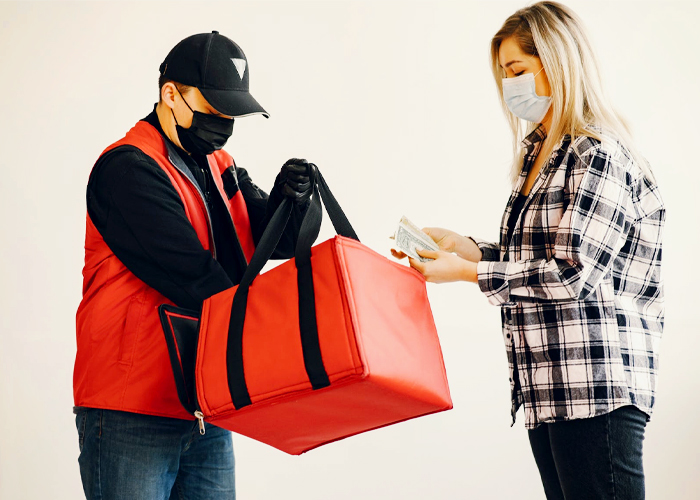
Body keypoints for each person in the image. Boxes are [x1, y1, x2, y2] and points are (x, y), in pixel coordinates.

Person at [394, 2, 664, 499]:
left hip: (594, 387)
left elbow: (572, 273)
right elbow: (545, 252)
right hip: (549, 387)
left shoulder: (597, 153)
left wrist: (467, 274)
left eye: (518, 70)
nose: (509, 85)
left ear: (559, 63)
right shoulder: (540, 154)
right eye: (503, 74)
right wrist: (473, 251)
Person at [73, 31, 312, 499]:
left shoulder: (219, 164)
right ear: (170, 94)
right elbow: (193, 275)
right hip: (131, 410)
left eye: (231, 114)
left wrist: (293, 201)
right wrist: (281, 337)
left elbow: (272, 242)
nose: (222, 123)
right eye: (213, 108)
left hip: (204, 405)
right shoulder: (128, 169)